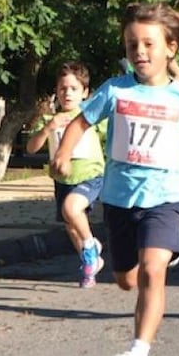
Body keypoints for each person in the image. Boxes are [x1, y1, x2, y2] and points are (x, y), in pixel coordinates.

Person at [51, 2, 179, 356]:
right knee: (126, 280)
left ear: (171, 48)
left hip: (165, 196)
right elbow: (81, 121)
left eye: (148, 43)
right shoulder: (115, 90)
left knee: (152, 270)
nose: (139, 52)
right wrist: (62, 153)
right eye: (132, 45)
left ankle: (138, 354)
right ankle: (151, 259)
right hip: (120, 198)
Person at [26, 61, 106, 288]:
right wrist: (47, 128)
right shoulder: (50, 120)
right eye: (62, 88)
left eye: (73, 89)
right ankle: (90, 263)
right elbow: (31, 148)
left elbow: (114, 131)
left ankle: (90, 246)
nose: (67, 93)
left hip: (90, 174)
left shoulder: (90, 116)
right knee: (70, 224)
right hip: (62, 179)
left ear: (85, 93)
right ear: (56, 92)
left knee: (71, 209)